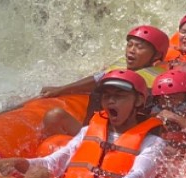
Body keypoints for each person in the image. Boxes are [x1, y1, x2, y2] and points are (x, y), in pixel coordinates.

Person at [0, 70, 165, 178]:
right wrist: (18, 163)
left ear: (139, 100)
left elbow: (141, 174)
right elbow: (53, 163)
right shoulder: (89, 131)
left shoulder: (152, 140)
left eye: (120, 96)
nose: (111, 101)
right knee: (38, 173)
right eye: (107, 96)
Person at [38, 24, 171, 138]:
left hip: (127, 136)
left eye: (139, 47)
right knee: (54, 116)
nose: (131, 50)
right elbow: (96, 79)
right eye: (129, 45)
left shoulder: (159, 82)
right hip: (93, 133)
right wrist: (60, 89)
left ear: (157, 55)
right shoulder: (119, 66)